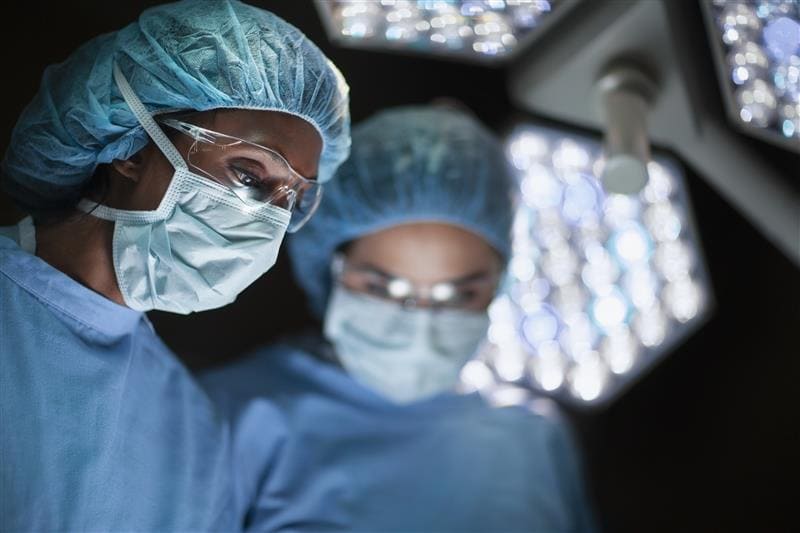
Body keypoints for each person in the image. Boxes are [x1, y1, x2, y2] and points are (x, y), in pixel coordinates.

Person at [0, 1, 349, 530]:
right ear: (135, 148)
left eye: (291, 199)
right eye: (250, 174)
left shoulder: (192, 430)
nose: (268, 221)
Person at [202, 106, 598, 532]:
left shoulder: (531, 437)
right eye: (384, 288)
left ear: (497, 285)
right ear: (331, 271)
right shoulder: (231, 417)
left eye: (458, 294)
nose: (420, 323)